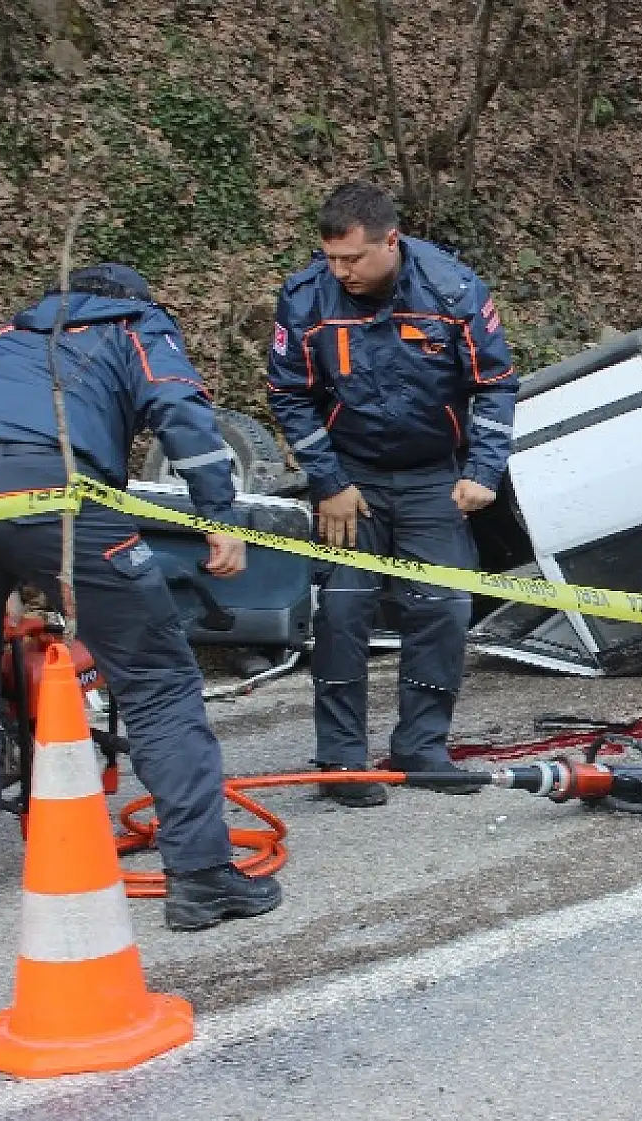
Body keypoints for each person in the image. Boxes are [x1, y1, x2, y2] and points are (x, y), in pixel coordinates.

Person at [0, 263, 282, 929]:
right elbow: (180, 411)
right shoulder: (134, 324)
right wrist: (218, 518)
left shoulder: (8, 336)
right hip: (56, 485)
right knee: (156, 678)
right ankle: (203, 876)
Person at [267, 181, 518, 808]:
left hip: (434, 472)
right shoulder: (306, 299)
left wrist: (483, 471)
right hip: (350, 477)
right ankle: (341, 761)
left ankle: (421, 748)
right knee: (344, 612)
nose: (340, 271)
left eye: (352, 258)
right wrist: (329, 482)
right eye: (330, 258)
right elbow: (289, 395)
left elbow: (494, 384)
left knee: (442, 607)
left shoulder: (453, 292)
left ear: (390, 242)